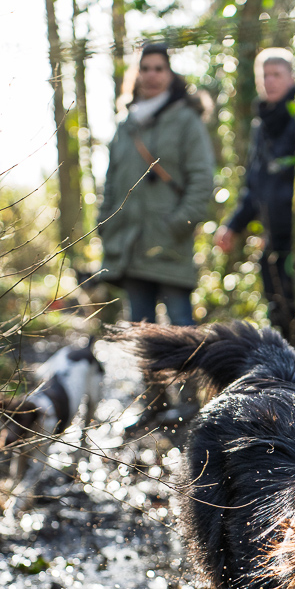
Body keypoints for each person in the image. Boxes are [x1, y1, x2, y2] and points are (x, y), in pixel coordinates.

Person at [98, 41, 215, 426]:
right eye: (145, 68)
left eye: (158, 68)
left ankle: (192, 406)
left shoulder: (185, 120)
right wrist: (106, 225)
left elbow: (202, 180)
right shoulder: (126, 124)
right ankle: (155, 403)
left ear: (170, 74)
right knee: (141, 329)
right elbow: (111, 184)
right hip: (130, 245)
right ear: (138, 74)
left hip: (170, 244)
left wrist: (177, 225)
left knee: (181, 327)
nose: (151, 75)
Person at [214, 51, 295, 342]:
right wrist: (233, 226)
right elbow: (255, 185)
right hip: (274, 243)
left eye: (277, 74)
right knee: (279, 315)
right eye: (265, 75)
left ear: (292, 77)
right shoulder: (261, 126)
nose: (270, 81)